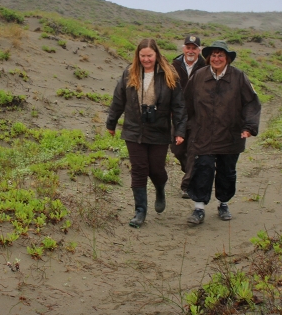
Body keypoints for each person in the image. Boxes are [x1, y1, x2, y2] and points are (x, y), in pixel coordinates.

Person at [106, 38, 186, 228]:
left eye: (149, 55)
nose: (146, 59)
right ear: (138, 55)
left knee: (156, 169)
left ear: (156, 54)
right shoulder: (129, 72)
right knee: (139, 169)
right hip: (134, 129)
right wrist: (111, 122)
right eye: (142, 56)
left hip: (159, 130)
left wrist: (180, 130)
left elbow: (179, 105)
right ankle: (140, 211)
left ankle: (160, 188)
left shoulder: (169, 74)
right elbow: (118, 98)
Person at [184, 41, 261, 225]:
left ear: (227, 58)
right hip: (203, 134)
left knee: (227, 171)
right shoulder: (198, 76)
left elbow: (252, 103)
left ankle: (223, 203)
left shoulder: (239, 77)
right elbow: (186, 103)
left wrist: (249, 127)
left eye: (221, 55)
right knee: (203, 168)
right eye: (213, 55)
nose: (216, 59)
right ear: (208, 57)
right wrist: (185, 128)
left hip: (230, 134)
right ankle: (199, 208)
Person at [171, 35, 206, 199]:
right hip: (177, 114)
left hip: (197, 115)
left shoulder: (206, 66)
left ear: (199, 50)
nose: (191, 50)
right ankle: (191, 171)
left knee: (193, 149)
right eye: (188, 47)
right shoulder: (174, 66)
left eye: (194, 48)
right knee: (177, 149)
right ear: (183, 48)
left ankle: (187, 185)